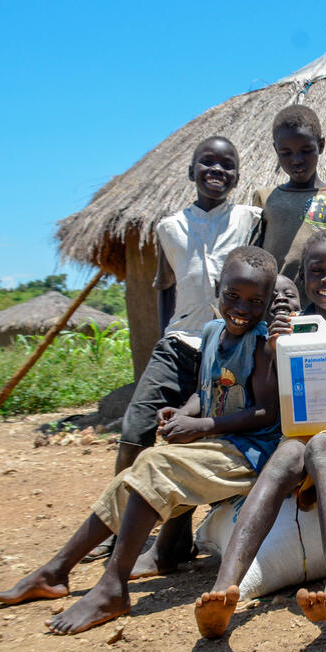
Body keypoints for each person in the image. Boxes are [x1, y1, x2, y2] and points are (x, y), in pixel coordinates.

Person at [0, 247, 281, 635]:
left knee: (151, 464)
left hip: (250, 452)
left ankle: (112, 586)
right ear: (216, 288)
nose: (241, 308)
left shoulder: (262, 344)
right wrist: (184, 412)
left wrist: (203, 426)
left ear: (267, 303)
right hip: (217, 443)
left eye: (254, 302)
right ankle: (57, 569)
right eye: (232, 297)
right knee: (143, 469)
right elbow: (207, 389)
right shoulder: (212, 333)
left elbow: (266, 413)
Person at [194, 229, 326, 638]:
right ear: (303, 275)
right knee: (286, 458)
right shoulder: (293, 326)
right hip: (304, 431)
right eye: (317, 271)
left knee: (323, 446)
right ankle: (224, 589)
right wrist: (277, 352)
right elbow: (276, 402)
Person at [100, 136, 261, 570]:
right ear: (191, 171)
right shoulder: (168, 227)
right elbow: (165, 288)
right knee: (137, 426)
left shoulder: (250, 219)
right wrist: (160, 336)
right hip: (177, 343)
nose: (217, 170)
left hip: (224, 343)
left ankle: (175, 543)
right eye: (207, 162)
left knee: (192, 432)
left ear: (237, 175)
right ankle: (117, 530)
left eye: (227, 164)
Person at [253, 105, 326, 287]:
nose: (297, 160)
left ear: (321, 145)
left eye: (306, 150)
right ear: (276, 150)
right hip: (276, 306)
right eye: (286, 153)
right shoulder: (265, 199)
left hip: (325, 303)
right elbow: (254, 260)